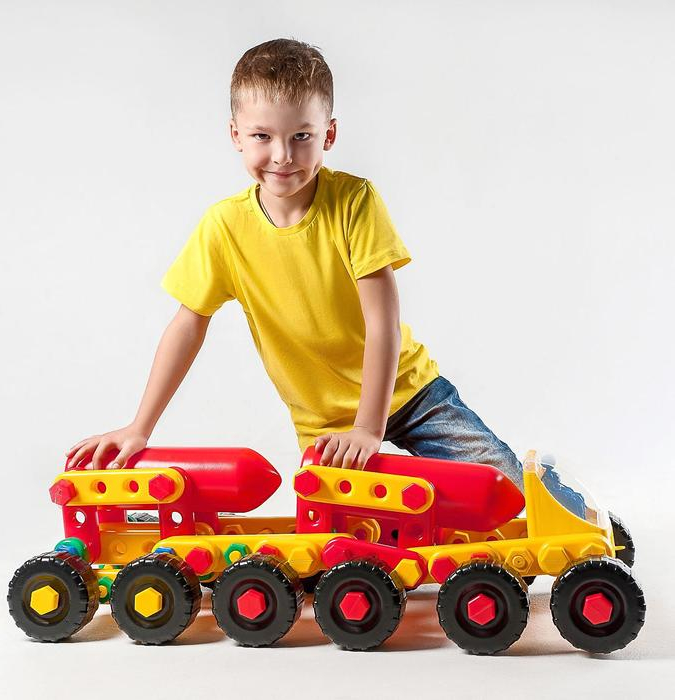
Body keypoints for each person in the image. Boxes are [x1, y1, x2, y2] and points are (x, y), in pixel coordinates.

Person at [66, 38, 524, 489]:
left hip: (410, 392)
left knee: (507, 484)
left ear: (329, 135)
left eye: (301, 136)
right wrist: (140, 427)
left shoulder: (354, 202)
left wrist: (368, 428)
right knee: (346, 533)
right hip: (324, 426)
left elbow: (382, 322)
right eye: (262, 136)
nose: (282, 155)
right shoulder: (224, 226)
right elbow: (188, 325)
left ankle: (570, 512)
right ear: (236, 135)